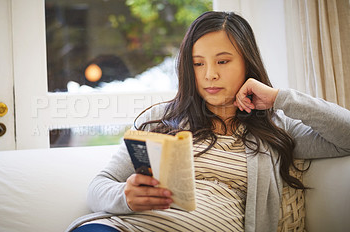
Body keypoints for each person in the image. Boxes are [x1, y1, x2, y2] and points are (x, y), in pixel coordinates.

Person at [66, 11, 350, 232]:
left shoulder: (275, 130)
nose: (209, 75)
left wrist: (281, 98)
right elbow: (99, 186)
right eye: (198, 63)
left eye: (223, 61)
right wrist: (125, 196)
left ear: (247, 63)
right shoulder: (159, 120)